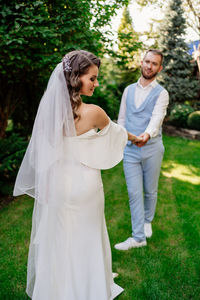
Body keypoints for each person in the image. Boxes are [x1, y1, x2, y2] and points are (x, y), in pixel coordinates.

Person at [13, 50, 142, 300]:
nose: (96, 83)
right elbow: (117, 134)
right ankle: (89, 283)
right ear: (76, 77)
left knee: (61, 237)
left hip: (58, 185)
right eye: (92, 78)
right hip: (85, 187)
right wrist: (135, 138)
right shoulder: (94, 112)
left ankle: (57, 289)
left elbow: (44, 152)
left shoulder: (49, 113)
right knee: (88, 235)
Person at [115, 49, 169, 251]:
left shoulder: (161, 93)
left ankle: (147, 220)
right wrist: (125, 137)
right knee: (134, 192)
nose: (149, 66)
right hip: (130, 149)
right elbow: (121, 118)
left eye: (154, 63)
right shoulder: (128, 90)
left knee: (150, 190)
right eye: (147, 61)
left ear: (159, 68)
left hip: (152, 148)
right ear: (141, 62)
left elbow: (157, 118)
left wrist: (146, 135)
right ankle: (138, 237)